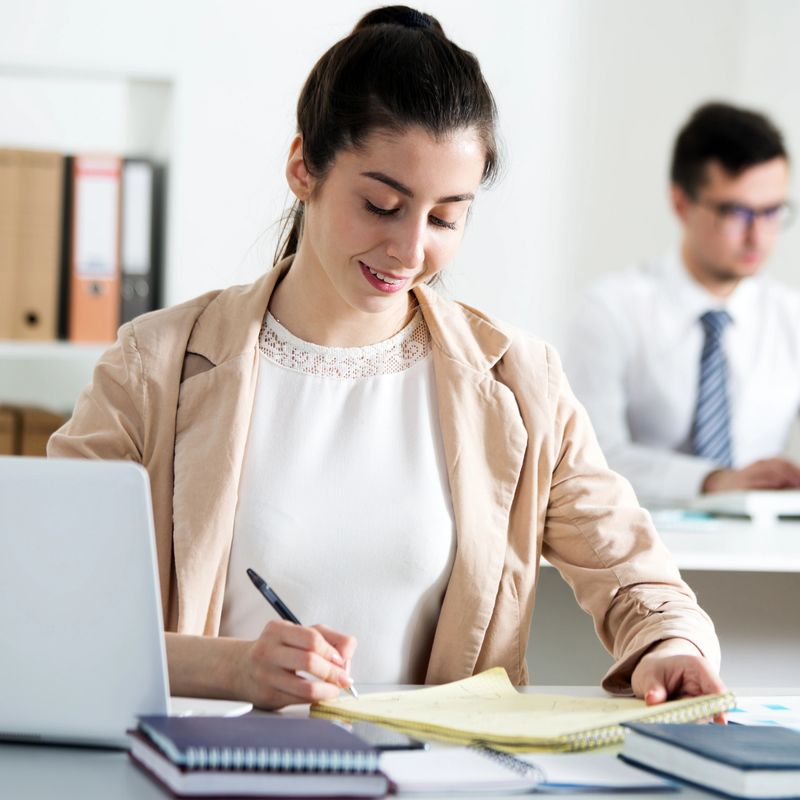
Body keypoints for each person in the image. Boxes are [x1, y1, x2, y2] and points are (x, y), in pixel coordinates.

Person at [49, 6, 724, 711]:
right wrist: (231, 669)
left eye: (444, 218)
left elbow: (632, 571)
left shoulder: (519, 382)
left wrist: (669, 646)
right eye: (380, 205)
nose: (409, 251)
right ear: (303, 167)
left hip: (435, 774)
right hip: (213, 765)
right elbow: (47, 603)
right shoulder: (154, 368)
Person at [565, 102, 800, 507]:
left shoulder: (790, 317)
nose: (758, 236)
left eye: (772, 212)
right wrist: (712, 481)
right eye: (735, 212)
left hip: (767, 551)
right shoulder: (612, 309)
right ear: (681, 203)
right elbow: (588, 459)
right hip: (636, 544)